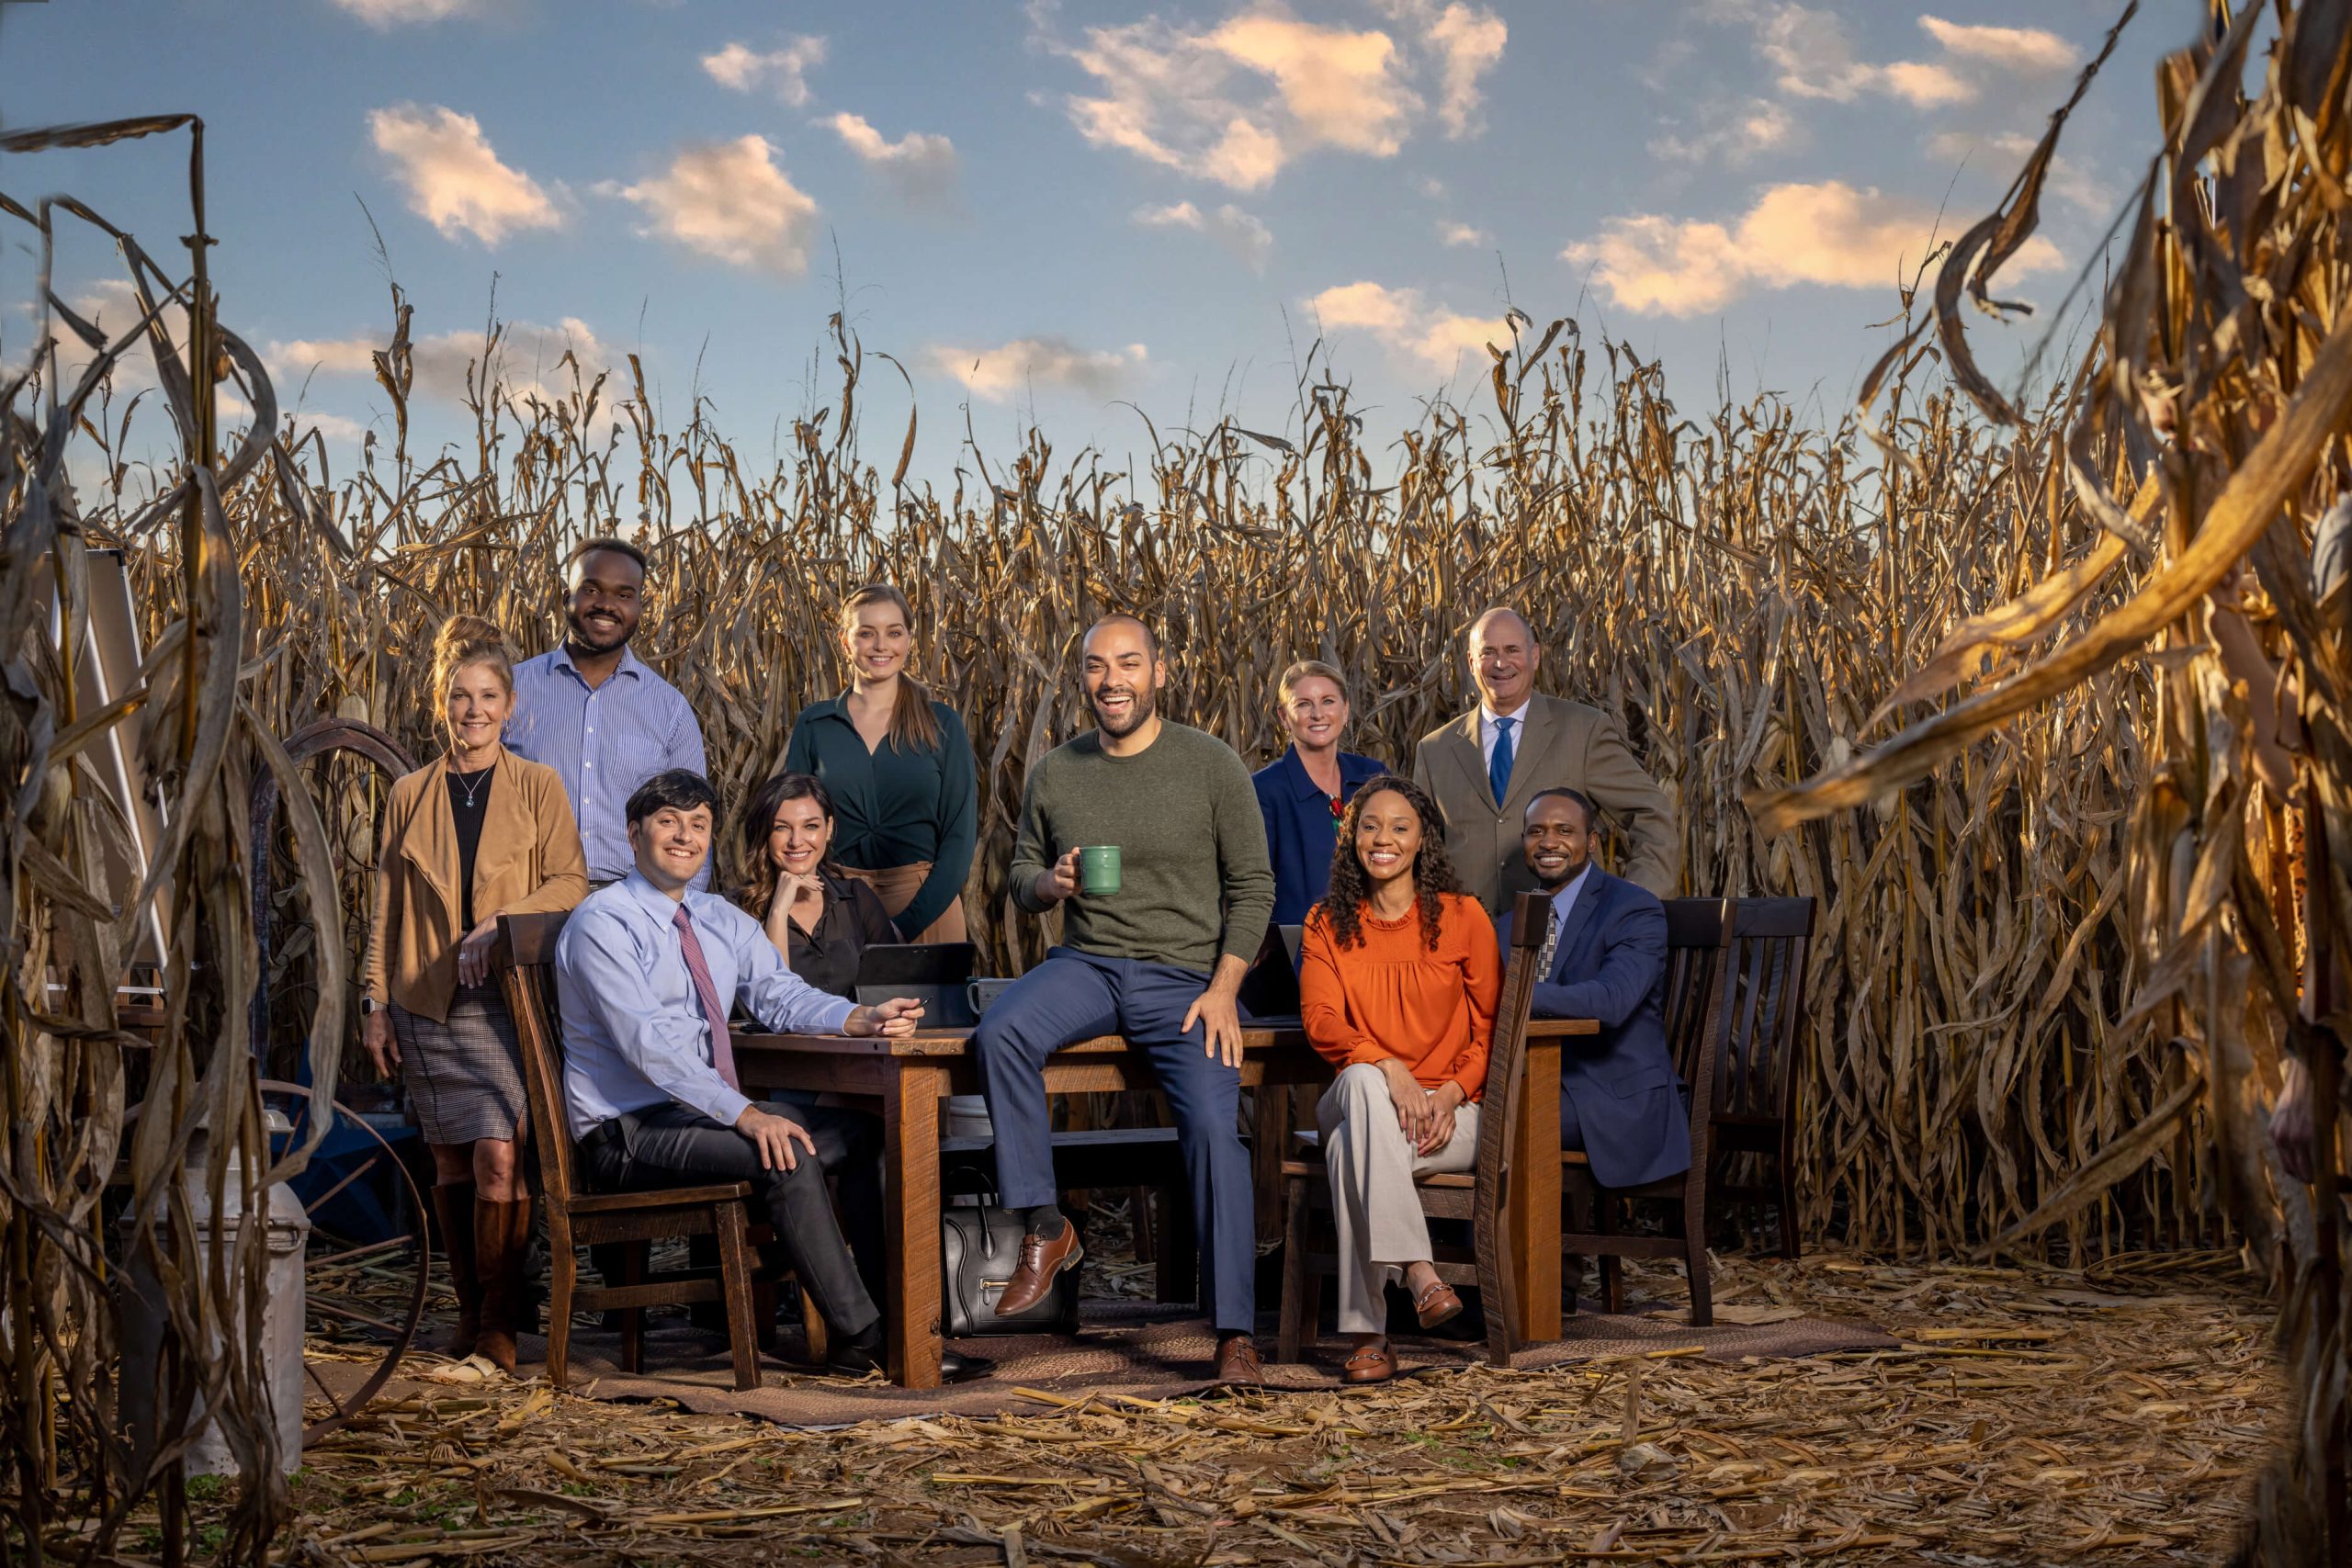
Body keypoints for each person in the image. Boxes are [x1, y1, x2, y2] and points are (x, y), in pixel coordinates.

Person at [556, 770, 986, 1382]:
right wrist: (746, 1112)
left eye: (698, 824)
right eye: (668, 823)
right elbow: (649, 1047)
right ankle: (859, 1336)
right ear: (633, 834)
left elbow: (781, 994)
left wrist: (856, 1017)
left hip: (696, 1115)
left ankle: (908, 1322)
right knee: (782, 1147)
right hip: (629, 1130)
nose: (685, 836)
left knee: (871, 1135)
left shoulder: (716, 917)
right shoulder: (603, 924)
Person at [974, 615, 1276, 1386]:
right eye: (1096, 666)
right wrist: (1050, 884)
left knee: (1213, 1127)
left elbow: (1253, 885)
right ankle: (1045, 1225)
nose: (1112, 680)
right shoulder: (1056, 771)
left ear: (1160, 672)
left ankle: (1235, 1330)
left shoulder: (1211, 765)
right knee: (1001, 1029)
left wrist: (1223, 989)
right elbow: (1021, 875)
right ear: (1081, 676)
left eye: (1129, 663)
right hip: (1088, 965)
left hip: (1184, 982)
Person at [360, 615, 590, 1374]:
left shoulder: (536, 786)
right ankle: (467, 1311)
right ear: (440, 703)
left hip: (504, 1000)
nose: (474, 710)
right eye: (460, 696)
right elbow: (384, 908)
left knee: (500, 1154)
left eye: (488, 695)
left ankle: (500, 1321)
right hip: (425, 1001)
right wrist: (373, 1002)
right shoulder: (408, 794)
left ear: (511, 704)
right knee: (453, 1166)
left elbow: (571, 880)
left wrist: (504, 917)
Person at [1297, 777, 1498, 1385]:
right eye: (1369, 826)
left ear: (1421, 842)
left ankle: (1369, 1334)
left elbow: (1493, 1026)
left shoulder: (1464, 918)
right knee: (1360, 1086)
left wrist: (1449, 1091)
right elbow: (1321, 1020)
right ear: (1351, 838)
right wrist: (1389, 1067)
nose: (1383, 838)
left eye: (1399, 827)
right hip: (1366, 1095)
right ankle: (1419, 1270)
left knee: (1348, 1151)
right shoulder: (1326, 922)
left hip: (1451, 1113)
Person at [728, 769, 894, 1300]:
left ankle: (898, 1295)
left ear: (829, 830)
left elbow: (892, 977)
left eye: (810, 826)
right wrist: (777, 906)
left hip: (859, 1070)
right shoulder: (735, 909)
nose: (798, 842)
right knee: (868, 1135)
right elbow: (769, 1001)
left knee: (894, 1135)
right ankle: (862, 1301)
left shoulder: (856, 901)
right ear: (764, 834)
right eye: (782, 828)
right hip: (781, 1082)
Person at [1411, 606, 1678, 911]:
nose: (1501, 663)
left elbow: (1651, 813)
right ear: (1472, 662)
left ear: (1535, 656)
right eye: (1488, 652)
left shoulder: (1583, 730)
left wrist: (1636, 900)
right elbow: (1419, 853)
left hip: (1566, 941)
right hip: (1463, 942)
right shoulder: (1434, 750)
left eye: (1513, 650)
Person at [1498, 788, 1690, 1187]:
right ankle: (1458, 1248)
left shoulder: (1632, 909)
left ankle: (1512, 1251)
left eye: (1564, 830)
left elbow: (1612, 1000)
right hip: (1531, 1083)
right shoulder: (1506, 923)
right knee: (1448, 1116)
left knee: (1497, 1122)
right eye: (1536, 832)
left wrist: (1511, 996)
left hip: (1614, 1098)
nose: (1548, 842)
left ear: (1593, 842)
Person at [506, 537, 707, 888]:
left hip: (631, 908)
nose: (606, 606)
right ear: (564, 595)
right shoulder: (512, 691)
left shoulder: (669, 709)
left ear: (640, 607)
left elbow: (693, 829)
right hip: (527, 898)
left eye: (624, 595)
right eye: (592, 590)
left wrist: (676, 918)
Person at [785, 585, 978, 943]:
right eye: (866, 633)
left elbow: (960, 837)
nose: (880, 645)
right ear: (845, 642)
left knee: (930, 1003)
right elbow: (790, 824)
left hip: (926, 907)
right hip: (837, 906)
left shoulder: (942, 724)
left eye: (893, 632)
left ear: (908, 640)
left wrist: (905, 925)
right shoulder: (814, 725)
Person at [1253, 660, 1386, 926]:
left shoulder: (1374, 777)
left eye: (1328, 701)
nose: (1318, 714)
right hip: (1303, 952)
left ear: (1345, 710)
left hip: (1378, 944)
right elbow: (1253, 892)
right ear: (1283, 717)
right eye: (1303, 704)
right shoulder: (1264, 791)